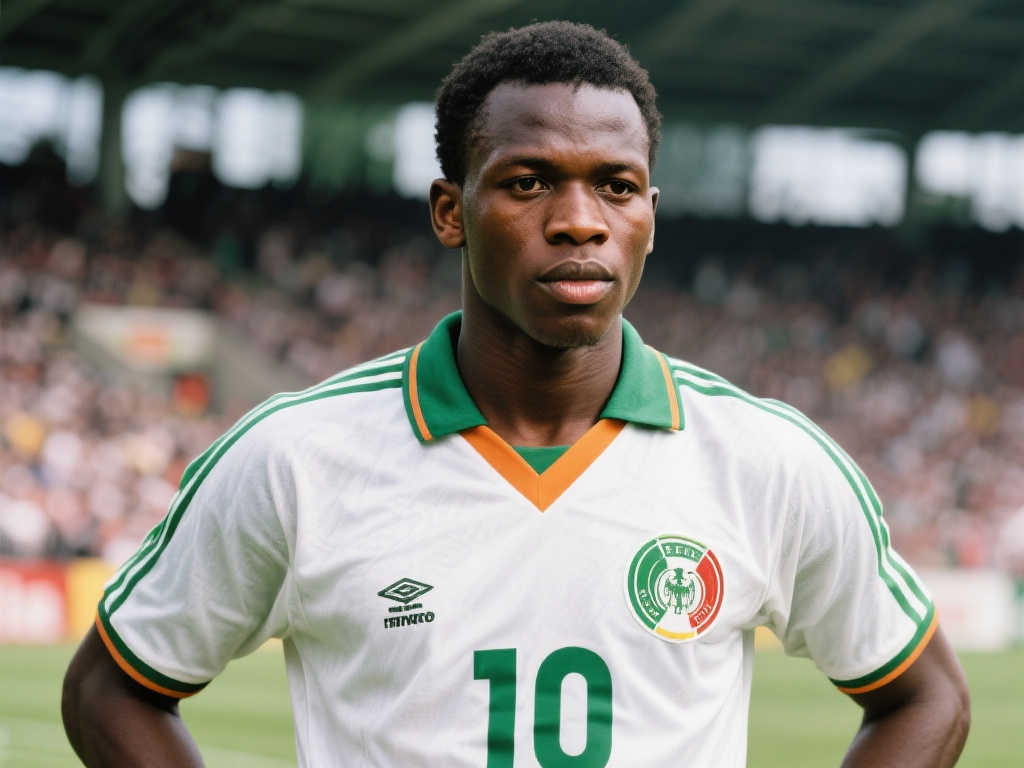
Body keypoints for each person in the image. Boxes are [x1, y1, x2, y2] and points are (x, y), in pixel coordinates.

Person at [62, 20, 970, 767]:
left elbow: (927, 697)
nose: (579, 222)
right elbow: (111, 687)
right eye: (528, 182)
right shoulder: (294, 457)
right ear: (450, 211)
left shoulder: (768, 460)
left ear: (650, 218)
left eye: (616, 187)